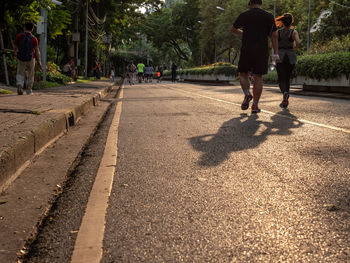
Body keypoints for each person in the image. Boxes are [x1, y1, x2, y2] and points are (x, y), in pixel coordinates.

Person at [231, 0, 279, 113]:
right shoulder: (268, 16)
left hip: (247, 49)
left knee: (243, 74)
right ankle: (255, 106)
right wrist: (275, 53)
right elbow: (274, 35)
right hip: (261, 50)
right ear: (261, 3)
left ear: (250, 3)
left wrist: (244, 33)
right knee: (258, 77)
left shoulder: (244, 15)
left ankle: (247, 94)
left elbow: (233, 29)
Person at [275, 13, 301, 108]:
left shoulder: (278, 32)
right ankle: (285, 98)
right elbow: (298, 42)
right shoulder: (294, 32)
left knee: (281, 78)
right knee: (287, 78)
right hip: (291, 56)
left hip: (280, 56)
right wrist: (295, 48)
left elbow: (271, 45)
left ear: (282, 22)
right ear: (291, 22)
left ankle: (285, 93)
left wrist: (276, 51)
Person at [14, 22, 42, 95]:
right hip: (31, 58)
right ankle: (29, 90)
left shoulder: (19, 36)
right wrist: (39, 61)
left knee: (20, 72)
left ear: (24, 27)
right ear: (32, 29)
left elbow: (15, 47)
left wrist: (15, 55)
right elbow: (37, 51)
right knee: (31, 74)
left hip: (21, 58)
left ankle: (20, 85)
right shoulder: (34, 39)